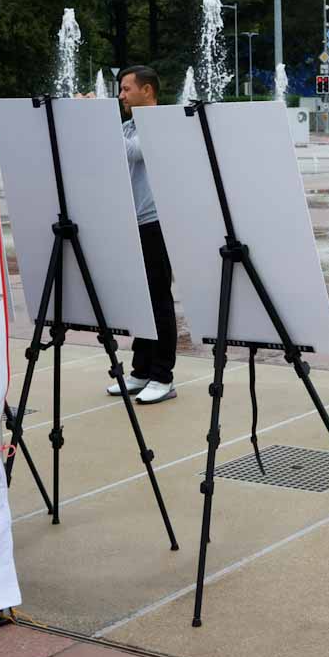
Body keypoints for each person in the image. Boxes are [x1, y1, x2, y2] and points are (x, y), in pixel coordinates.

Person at [110, 65, 178, 405]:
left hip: (156, 223)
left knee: (159, 299)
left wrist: (95, 122)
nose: (121, 95)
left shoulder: (159, 125)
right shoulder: (126, 127)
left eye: (126, 89)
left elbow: (131, 152)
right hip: (132, 222)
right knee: (140, 297)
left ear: (147, 91)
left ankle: (163, 375)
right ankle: (140, 369)